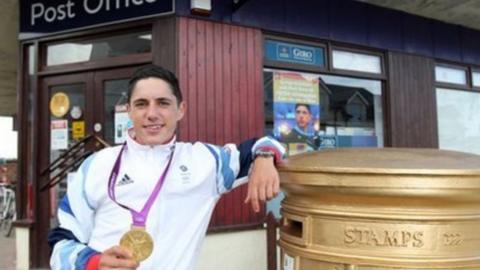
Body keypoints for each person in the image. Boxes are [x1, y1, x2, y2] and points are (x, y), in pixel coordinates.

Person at [48, 65, 285, 270]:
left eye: (163, 103)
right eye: (141, 104)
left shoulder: (205, 161)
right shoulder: (97, 165)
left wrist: (264, 156)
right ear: (129, 111)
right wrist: (93, 263)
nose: (152, 114)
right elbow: (62, 241)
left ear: (180, 110)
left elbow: (264, 144)